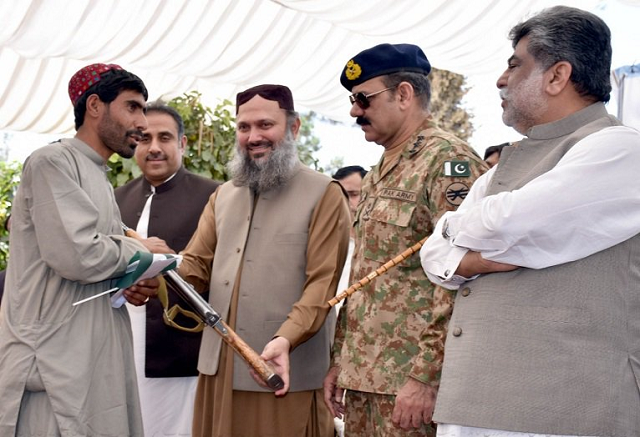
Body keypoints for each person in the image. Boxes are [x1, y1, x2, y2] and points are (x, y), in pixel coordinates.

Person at [420, 6, 640, 437]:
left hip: (564, 410)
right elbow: (433, 257)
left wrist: (450, 231)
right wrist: (463, 255)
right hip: (473, 403)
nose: (501, 80)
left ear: (558, 76)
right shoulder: (509, 164)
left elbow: (511, 225)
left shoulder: (620, 149)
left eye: (514, 65)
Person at [323, 43, 488, 437]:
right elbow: (369, 273)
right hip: (367, 377)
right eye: (351, 99)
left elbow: (464, 277)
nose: (353, 111)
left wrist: (427, 378)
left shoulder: (448, 163)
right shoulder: (382, 166)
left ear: (403, 94)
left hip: (411, 385)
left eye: (363, 99)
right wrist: (341, 360)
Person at [178, 84, 351, 437]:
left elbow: (322, 285)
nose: (253, 136)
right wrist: (153, 271)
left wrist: (285, 339)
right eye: (244, 127)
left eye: (265, 125)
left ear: (293, 128)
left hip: (282, 374)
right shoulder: (223, 196)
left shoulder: (324, 193)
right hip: (219, 373)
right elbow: (193, 267)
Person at [0, 63, 160, 436]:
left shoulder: (96, 175)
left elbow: (93, 265)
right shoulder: (52, 162)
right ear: (94, 106)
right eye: (132, 107)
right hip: (52, 369)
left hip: (87, 360)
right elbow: (78, 255)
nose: (142, 123)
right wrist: (144, 254)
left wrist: (129, 281)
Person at [115, 103, 219, 437]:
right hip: (121, 346)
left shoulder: (215, 196)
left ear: (183, 144)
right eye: (144, 138)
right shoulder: (115, 198)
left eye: (165, 137)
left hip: (183, 350)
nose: (154, 147)